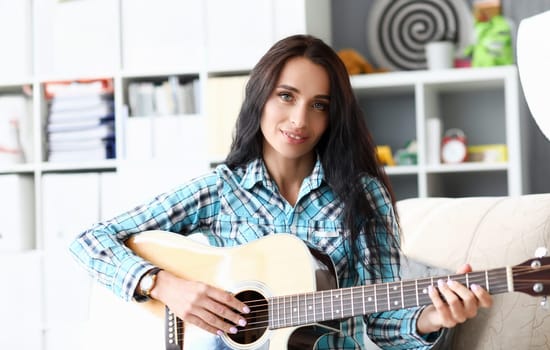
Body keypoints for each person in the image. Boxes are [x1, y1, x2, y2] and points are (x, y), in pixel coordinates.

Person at [70, 34, 492, 349]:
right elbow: (90, 241)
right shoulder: (220, 190)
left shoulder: (364, 197)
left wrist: (432, 317)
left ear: (333, 117)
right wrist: (167, 287)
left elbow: (381, 323)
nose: (299, 119)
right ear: (260, 99)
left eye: (319, 105)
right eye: (286, 97)